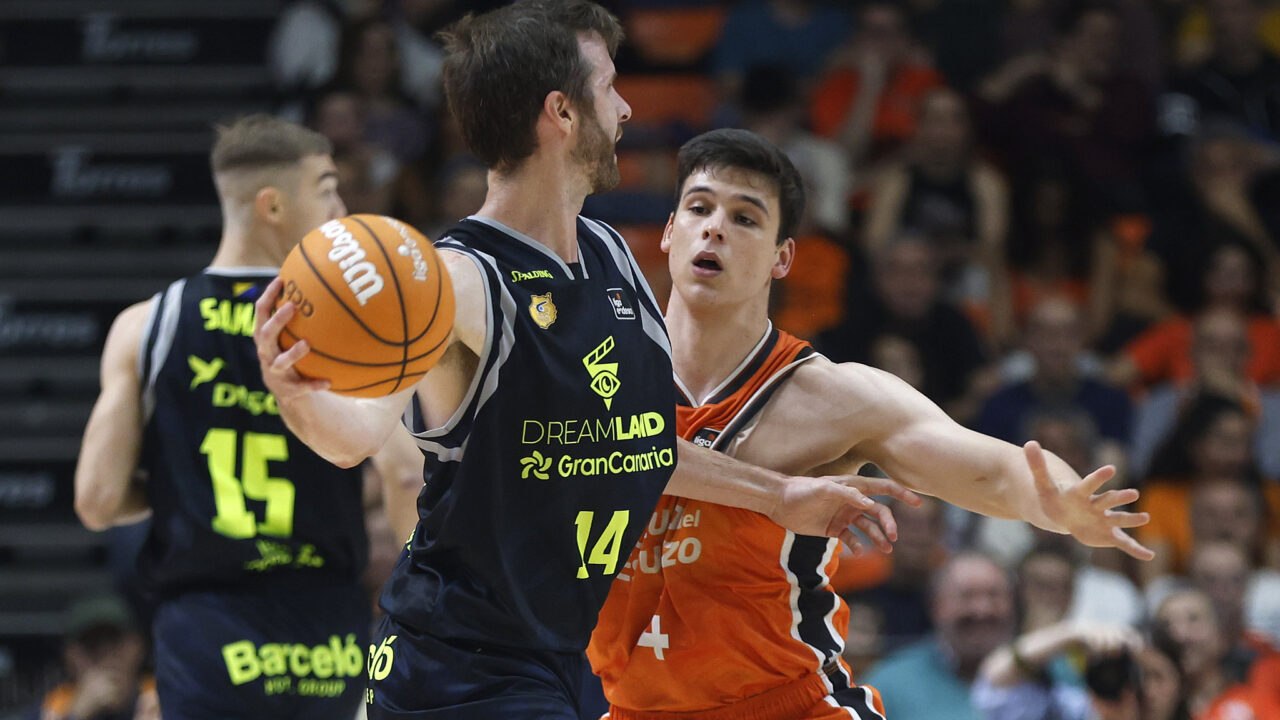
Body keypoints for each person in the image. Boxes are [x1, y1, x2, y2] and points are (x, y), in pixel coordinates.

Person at [252, 3, 892, 718]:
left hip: (554, 661)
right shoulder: (459, 281)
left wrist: (778, 498)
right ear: (561, 112)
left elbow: (635, 441)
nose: (623, 108)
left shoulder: (609, 252)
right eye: (609, 86)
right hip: (454, 669)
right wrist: (297, 392)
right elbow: (357, 437)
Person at [587, 128, 1153, 719]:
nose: (716, 227)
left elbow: (999, 469)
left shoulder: (832, 396)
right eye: (699, 208)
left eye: (747, 218)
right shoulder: (591, 379)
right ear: (671, 230)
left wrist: (1057, 503)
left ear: (782, 257)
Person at [73, 114, 417, 719]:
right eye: (326, 187)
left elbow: (98, 500)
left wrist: (188, 491)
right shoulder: (354, 332)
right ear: (273, 206)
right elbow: (408, 478)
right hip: (327, 631)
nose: (341, 207)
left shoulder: (147, 325)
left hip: (208, 629)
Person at [21, 594, 159, 720]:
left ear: (137, 647)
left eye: (114, 642)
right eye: (91, 644)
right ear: (70, 654)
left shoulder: (163, 699)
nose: (105, 655)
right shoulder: (51, 708)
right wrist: (75, 715)